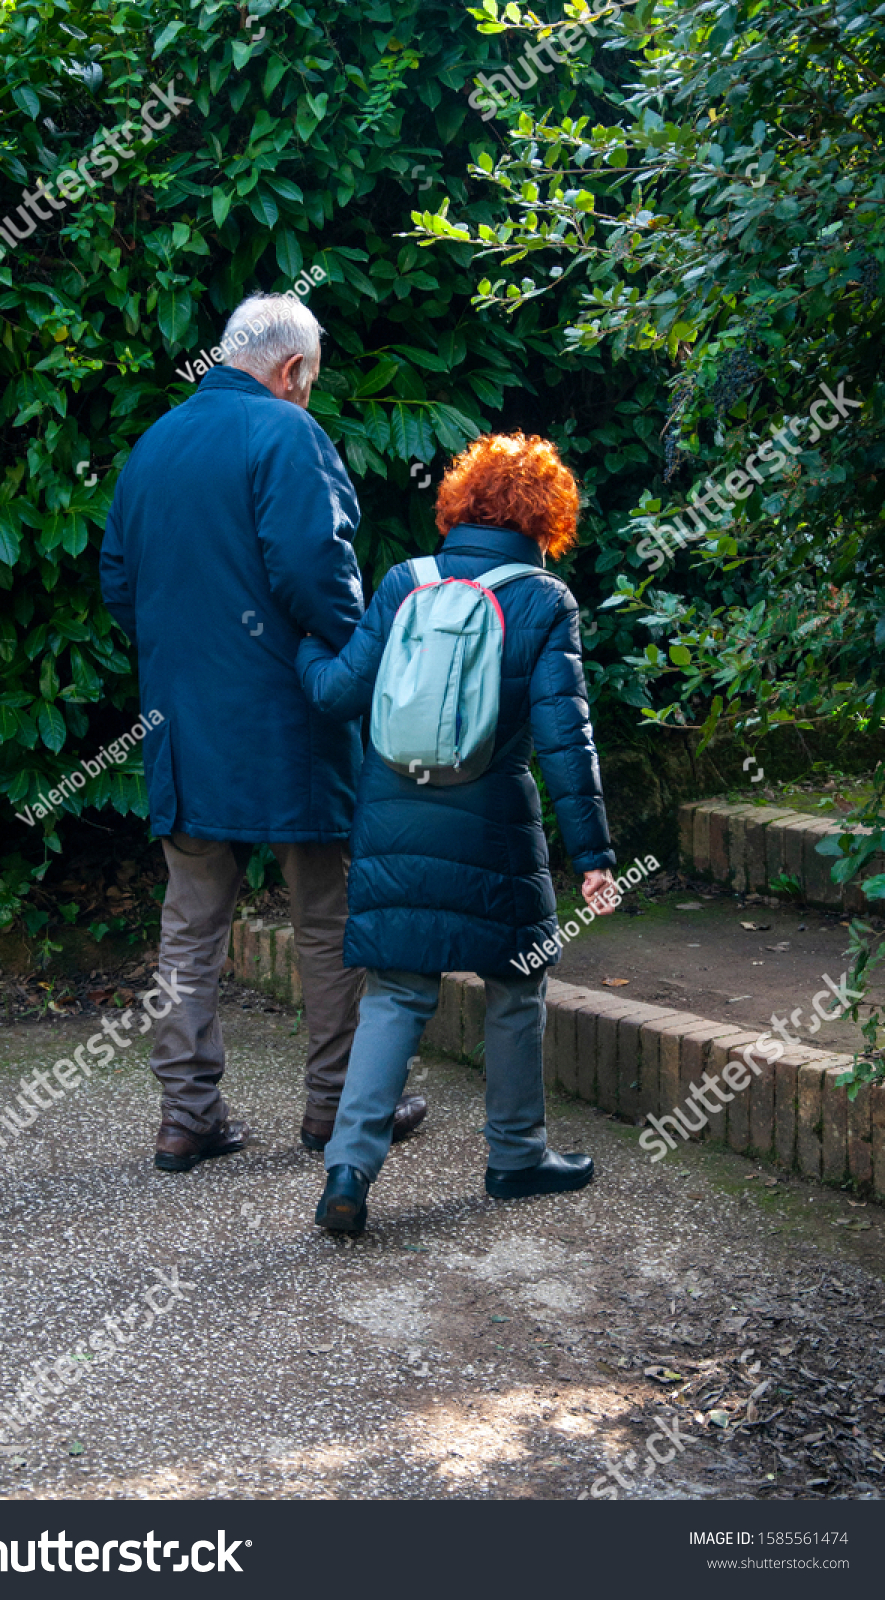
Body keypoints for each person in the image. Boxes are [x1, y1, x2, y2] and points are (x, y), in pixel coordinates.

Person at [99, 292, 426, 1172]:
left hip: (184, 728)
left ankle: (187, 1118)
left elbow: (119, 586)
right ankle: (338, 1108)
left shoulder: (153, 444)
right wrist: (358, 659)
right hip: (290, 719)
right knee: (327, 918)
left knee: (190, 926)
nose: (309, 397)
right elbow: (317, 572)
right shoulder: (287, 435)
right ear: (290, 371)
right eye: (309, 382)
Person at [296, 432, 616, 1233]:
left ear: (461, 501)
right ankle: (515, 1157)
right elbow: (564, 741)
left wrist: (303, 649)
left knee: (396, 993)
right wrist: (594, 855)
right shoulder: (543, 600)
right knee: (516, 987)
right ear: (547, 517)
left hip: (393, 818)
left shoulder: (407, 581)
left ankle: (348, 1168)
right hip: (495, 828)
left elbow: (337, 695)